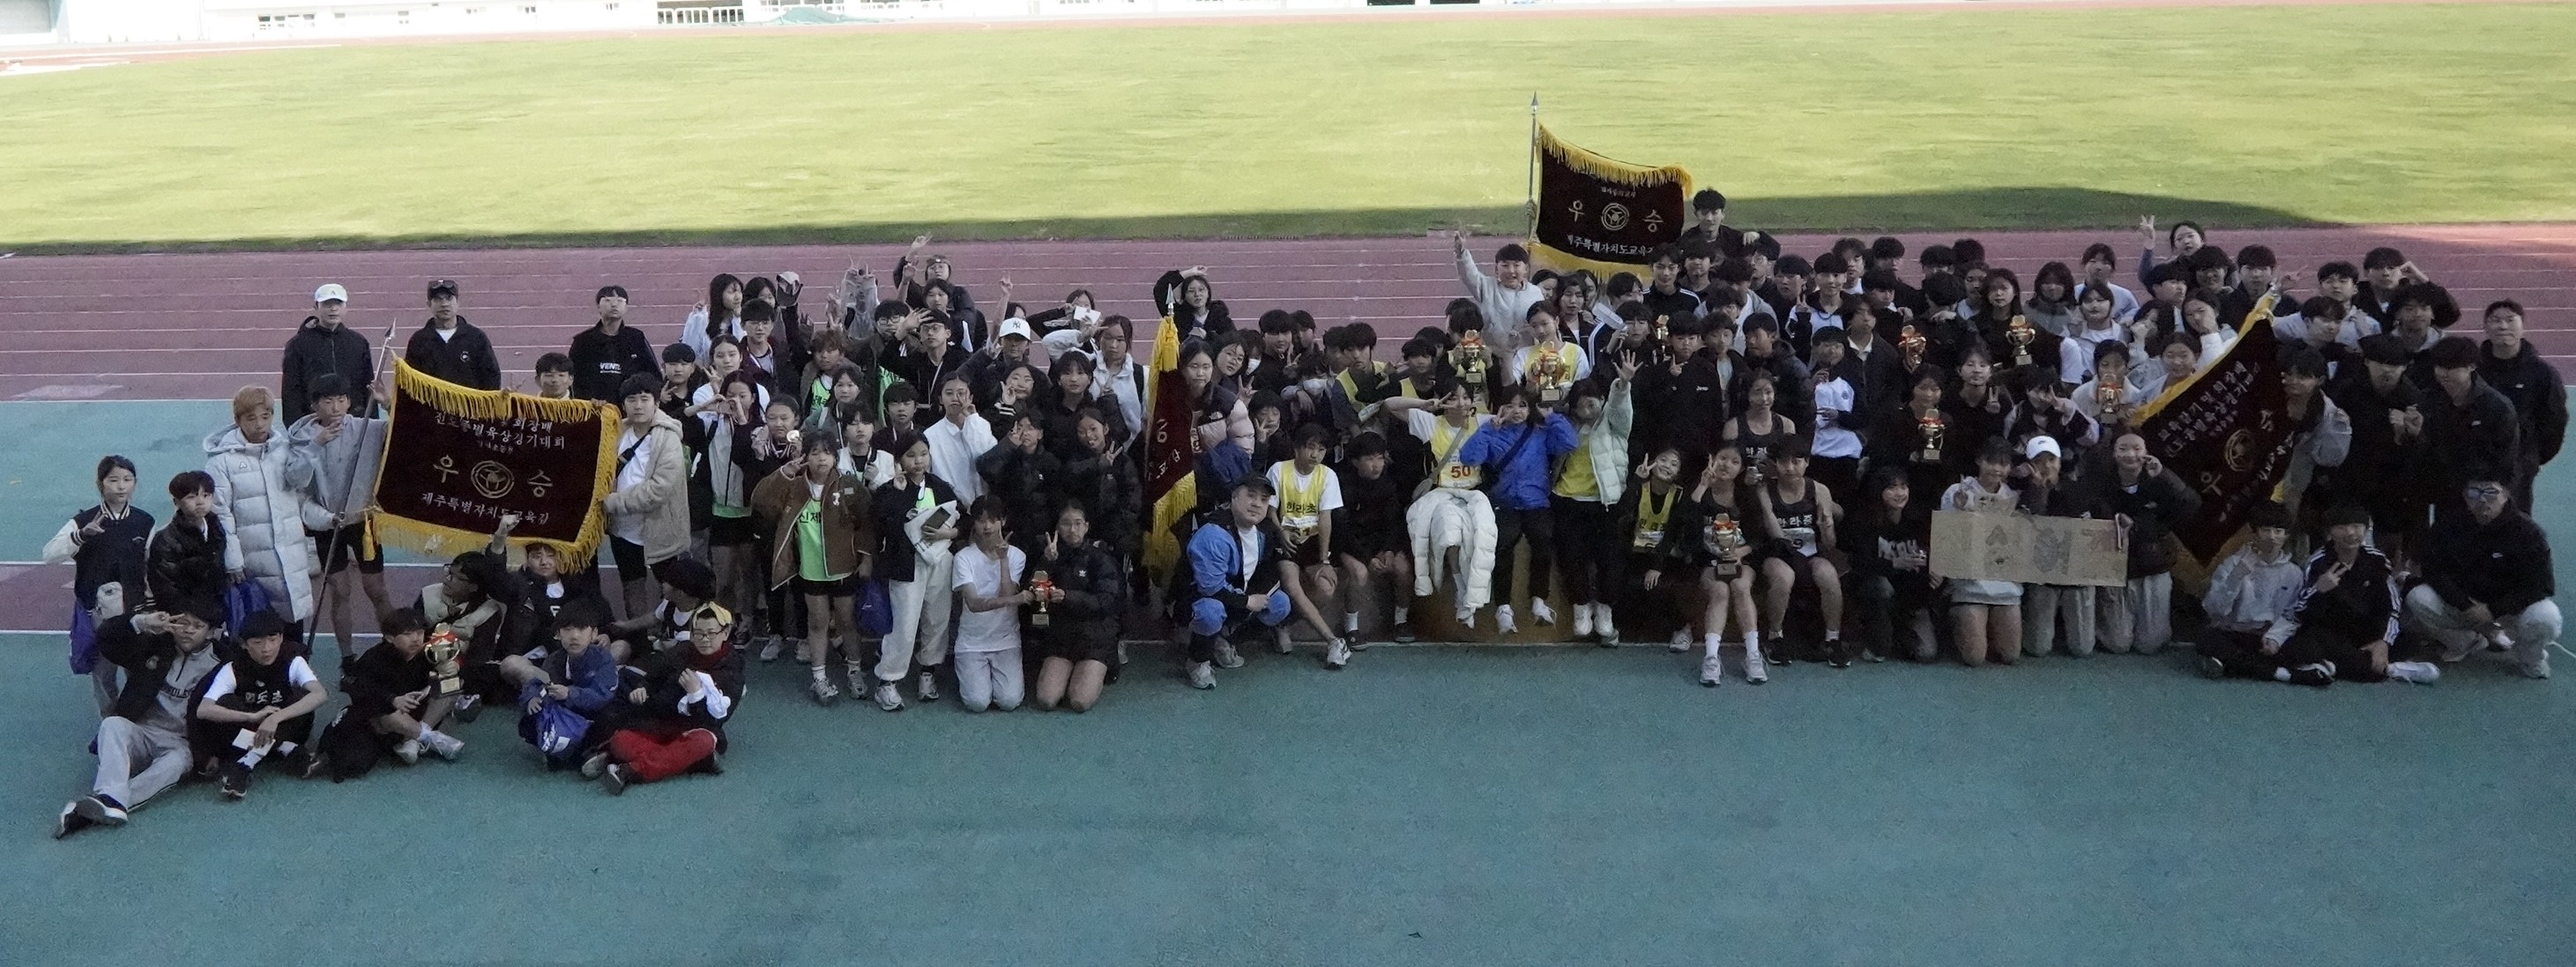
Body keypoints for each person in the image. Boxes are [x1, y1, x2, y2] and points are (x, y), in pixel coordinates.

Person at [55, 598, 233, 837]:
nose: (188, 630)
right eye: (183, 623)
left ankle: (102, 804)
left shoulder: (224, 664)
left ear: (211, 632)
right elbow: (107, 639)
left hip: (180, 742)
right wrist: (142, 622)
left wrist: (214, 753)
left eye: (198, 626)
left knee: (176, 763)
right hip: (142, 731)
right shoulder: (153, 646)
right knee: (112, 724)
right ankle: (110, 801)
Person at [752, 429, 874, 704]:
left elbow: (866, 522)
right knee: (817, 623)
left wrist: (866, 557)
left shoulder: (849, 485)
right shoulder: (794, 486)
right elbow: (760, 501)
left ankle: (855, 671)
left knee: (847, 622)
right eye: (815, 452)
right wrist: (783, 473)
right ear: (805, 456)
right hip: (811, 571)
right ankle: (819, 678)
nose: (821, 459)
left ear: (835, 457)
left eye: (827, 453)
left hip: (844, 569)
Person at [286, 373, 391, 667]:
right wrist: (316, 445)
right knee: (340, 591)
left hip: (363, 522)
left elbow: (408, 429)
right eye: (328, 401)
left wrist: (388, 403)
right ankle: (348, 656)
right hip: (327, 524)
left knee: (376, 589)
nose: (335, 408)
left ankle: (393, 645)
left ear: (349, 402)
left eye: (341, 400)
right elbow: (294, 481)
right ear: (314, 405)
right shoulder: (301, 439)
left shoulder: (367, 428)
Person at [2408, 476, 2560, 680]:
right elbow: (2433, 570)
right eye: (2474, 493)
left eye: (2491, 492)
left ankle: (2530, 658)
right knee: (2418, 597)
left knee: (2546, 617)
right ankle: (2464, 641)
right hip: (2466, 606)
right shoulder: (2449, 525)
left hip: (2510, 610)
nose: (2482, 500)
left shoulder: (2528, 532)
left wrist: (2494, 610)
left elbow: (2543, 586)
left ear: (2506, 494)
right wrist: (2465, 605)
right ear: (2465, 495)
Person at [204, 385, 319, 648]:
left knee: (292, 632)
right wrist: (233, 559)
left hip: (290, 557)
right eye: (251, 418)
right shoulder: (221, 462)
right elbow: (221, 513)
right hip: (252, 562)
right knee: (258, 632)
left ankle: (295, 669)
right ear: (238, 420)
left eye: (265, 417)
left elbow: (301, 496)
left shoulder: (285, 450)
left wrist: (329, 518)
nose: (259, 424)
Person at [1460, 385, 1576, 635]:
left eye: (1522, 405)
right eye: (1510, 405)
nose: (1517, 411)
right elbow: (1468, 458)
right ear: (1500, 408)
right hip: (1504, 502)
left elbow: (1570, 442)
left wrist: (1551, 416)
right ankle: (1503, 608)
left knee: (1543, 539)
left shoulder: (1541, 433)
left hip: (1536, 502)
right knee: (1503, 542)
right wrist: (1488, 429)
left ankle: (1539, 601)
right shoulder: (1492, 432)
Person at [591, 602, 742, 794]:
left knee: (704, 742)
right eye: (698, 633)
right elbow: (654, 672)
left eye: (711, 633)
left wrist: (696, 696)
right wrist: (643, 688)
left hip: (696, 730)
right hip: (662, 724)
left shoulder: (732, 670)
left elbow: (716, 721)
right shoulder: (682, 651)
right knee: (621, 740)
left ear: (725, 633)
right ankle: (695, 763)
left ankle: (629, 771)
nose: (704, 640)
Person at [44, 455, 154, 717]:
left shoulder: (144, 521)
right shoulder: (83, 522)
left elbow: (151, 565)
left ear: (135, 483)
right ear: (100, 484)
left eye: (127, 480)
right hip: (98, 614)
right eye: (113, 480)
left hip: (135, 611)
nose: (121, 486)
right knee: (103, 674)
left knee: (138, 669)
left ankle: (136, 720)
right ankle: (109, 721)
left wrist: (151, 603)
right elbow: (50, 554)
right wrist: (80, 536)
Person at [2194, 502, 2349, 685]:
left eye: (2278, 531)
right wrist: (2236, 576)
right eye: (2266, 530)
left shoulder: (2293, 572)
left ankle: (2235, 666)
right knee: (2208, 640)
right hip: (2237, 633)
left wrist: (2276, 637)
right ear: (2254, 532)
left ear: (2286, 536)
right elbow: (2213, 609)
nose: (2272, 537)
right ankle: (2286, 673)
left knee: (2311, 645)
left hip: (2271, 637)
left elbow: (2294, 613)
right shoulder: (2233, 564)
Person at [310, 607, 464, 782]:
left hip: (419, 707)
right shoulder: (374, 658)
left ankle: (413, 741)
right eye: (407, 634)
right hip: (386, 715)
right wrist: (392, 700)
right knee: (388, 717)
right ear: (390, 638)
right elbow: (357, 689)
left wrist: (450, 669)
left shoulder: (430, 653)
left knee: (450, 686)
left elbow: (452, 676)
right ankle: (429, 738)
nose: (416, 639)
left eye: (420, 633)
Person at [191, 611, 328, 800]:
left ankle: (245, 764)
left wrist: (274, 718)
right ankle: (287, 749)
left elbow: (320, 694)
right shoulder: (233, 667)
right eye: (257, 642)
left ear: (281, 638)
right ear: (244, 644)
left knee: (302, 695)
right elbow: (203, 710)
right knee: (225, 702)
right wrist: (252, 717)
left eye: (273, 640)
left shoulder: (293, 661)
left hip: (286, 727)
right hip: (249, 728)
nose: (266, 649)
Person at [873, 435, 962, 710]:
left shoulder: (940, 486)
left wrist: (950, 533)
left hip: (939, 561)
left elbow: (962, 519)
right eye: (911, 455)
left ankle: (928, 672)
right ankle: (888, 681)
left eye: (923, 454)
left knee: (937, 619)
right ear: (899, 459)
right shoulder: (890, 490)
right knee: (904, 623)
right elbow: (884, 525)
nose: (918, 461)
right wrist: (900, 493)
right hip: (905, 564)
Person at [1181, 476, 1292, 689]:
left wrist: (1254, 597)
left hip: (1237, 595)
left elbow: (1268, 572)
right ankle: (1197, 659)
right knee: (1210, 612)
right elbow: (1209, 588)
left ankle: (1225, 641)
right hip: (1197, 599)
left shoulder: (1266, 530)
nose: (1257, 504)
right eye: (1250, 496)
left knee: (1280, 604)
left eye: (1264, 499)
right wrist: (1247, 602)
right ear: (1233, 497)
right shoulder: (1213, 534)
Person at [2096, 432, 2200, 655]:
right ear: (2114, 453)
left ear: (2146, 453)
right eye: (2123, 449)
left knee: (2150, 644)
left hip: (2153, 565)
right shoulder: (2102, 482)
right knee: (2117, 643)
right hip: (2115, 568)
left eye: (2137, 449)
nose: (2130, 455)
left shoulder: (2159, 480)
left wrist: (2164, 476)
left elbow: (2191, 505)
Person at [602, 374, 690, 620]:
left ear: (656, 403)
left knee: (671, 588)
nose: (638, 406)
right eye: (632, 400)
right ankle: (638, 636)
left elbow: (660, 489)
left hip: (661, 528)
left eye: (644, 399)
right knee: (632, 584)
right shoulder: (617, 432)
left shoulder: (667, 437)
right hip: (623, 529)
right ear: (623, 404)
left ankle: (672, 630)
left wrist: (613, 503)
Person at [1266, 423, 1353, 666]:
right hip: (1286, 540)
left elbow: (1325, 518)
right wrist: (1281, 532)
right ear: (1297, 449)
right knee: (1292, 587)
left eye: (1321, 449)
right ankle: (1333, 641)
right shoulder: (1278, 470)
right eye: (1310, 447)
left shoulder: (1328, 475)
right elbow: (1270, 511)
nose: (1315, 454)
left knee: (1326, 590)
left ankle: (1283, 625)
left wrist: (1324, 560)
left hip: (1313, 541)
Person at [498, 598, 619, 770]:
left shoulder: (603, 659)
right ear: (558, 634)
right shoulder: (554, 660)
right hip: (567, 714)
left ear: (593, 634)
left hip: (593, 713)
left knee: (610, 717)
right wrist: (531, 698)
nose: (574, 636)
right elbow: (536, 681)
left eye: (581, 629)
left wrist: (570, 693)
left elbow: (603, 695)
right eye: (567, 630)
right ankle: (565, 752)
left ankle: (592, 753)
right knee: (528, 722)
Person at [1755, 436, 1846, 665]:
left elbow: (1830, 544)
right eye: (1783, 462)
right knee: (1784, 576)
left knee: (1828, 574)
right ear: (1775, 464)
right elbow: (1775, 533)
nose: (1790, 468)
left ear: (1806, 463)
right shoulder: (1765, 490)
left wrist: (1827, 527)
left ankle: (1833, 639)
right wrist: (1796, 560)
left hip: (1812, 552)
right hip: (1778, 552)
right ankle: (1775, 637)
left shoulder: (1819, 490)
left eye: (1796, 462)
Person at [2014, 436, 2107, 658]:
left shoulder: (2078, 489)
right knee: (2037, 648)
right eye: (2039, 460)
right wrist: (2038, 490)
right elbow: (2027, 524)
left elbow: (2099, 520)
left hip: (2077, 576)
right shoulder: (2022, 493)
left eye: (2051, 459)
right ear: (2030, 464)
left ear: (2059, 461)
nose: (2046, 465)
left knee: (2082, 649)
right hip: (2042, 576)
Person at [2475, 300, 2566, 510]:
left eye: (2510, 320)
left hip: (2520, 466)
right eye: (2495, 320)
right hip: (2475, 463)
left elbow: (2555, 421)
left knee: (2515, 521)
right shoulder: (2473, 368)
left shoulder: (2542, 373)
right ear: (2485, 327)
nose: (2503, 326)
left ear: (2523, 327)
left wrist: (2532, 458)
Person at [1842, 466, 1936, 665]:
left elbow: (1931, 554)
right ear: (1879, 491)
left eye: (1903, 487)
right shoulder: (1864, 520)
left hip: (1912, 598)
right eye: (1892, 488)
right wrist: (1895, 563)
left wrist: (1935, 571)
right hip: (1876, 591)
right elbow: (1860, 564)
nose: (1899, 493)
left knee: (1926, 654)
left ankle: (1899, 634)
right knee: (1881, 587)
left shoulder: (1918, 519)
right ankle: (1876, 638)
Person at [1031, 502, 1121, 711]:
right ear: (1057, 528)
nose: (1072, 530)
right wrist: (1046, 563)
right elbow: (1036, 593)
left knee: (1079, 702)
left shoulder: (1101, 558)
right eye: (1066, 524)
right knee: (1046, 700)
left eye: (1078, 523)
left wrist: (1068, 597)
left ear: (1086, 526)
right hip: (1060, 637)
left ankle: (1099, 670)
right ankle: (1064, 673)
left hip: (1094, 638)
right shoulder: (1049, 555)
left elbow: (1107, 601)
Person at [1940, 440, 2022, 666]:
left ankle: (1991, 629)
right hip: (1970, 581)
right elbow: (1946, 536)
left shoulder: (2013, 497)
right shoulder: (1958, 492)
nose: (1996, 469)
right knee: (1974, 657)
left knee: (2011, 655)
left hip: (2004, 581)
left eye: (2003, 464)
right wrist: (1961, 512)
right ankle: (1957, 622)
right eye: (1990, 462)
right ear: (1979, 461)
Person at [1692, 445, 1769, 679]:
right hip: (1708, 561)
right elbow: (1686, 523)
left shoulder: (1746, 496)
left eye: (1734, 462)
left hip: (1741, 560)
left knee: (1741, 586)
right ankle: (1711, 658)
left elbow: (1759, 538)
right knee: (1720, 591)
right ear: (1712, 460)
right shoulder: (1699, 491)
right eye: (1722, 458)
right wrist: (1702, 486)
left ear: (1741, 469)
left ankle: (1753, 655)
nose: (1726, 465)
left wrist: (1740, 553)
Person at [949, 497, 1030, 712]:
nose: (987, 527)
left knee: (1009, 701)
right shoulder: (963, 558)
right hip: (971, 643)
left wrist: (1003, 560)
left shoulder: (1017, 556)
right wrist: (1016, 600)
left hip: (1006, 641)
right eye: (981, 521)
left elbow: (1006, 593)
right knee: (977, 703)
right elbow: (974, 604)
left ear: (1003, 521)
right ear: (974, 523)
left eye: (993, 520)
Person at [1334, 431, 1414, 646]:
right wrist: (1367, 558)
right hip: (1350, 544)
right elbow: (1342, 530)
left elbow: (1395, 523)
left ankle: (1401, 621)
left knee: (1403, 569)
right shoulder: (1342, 485)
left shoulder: (1389, 484)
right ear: (1355, 461)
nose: (1376, 465)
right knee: (1359, 573)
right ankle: (1351, 628)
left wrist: (1388, 550)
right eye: (1370, 459)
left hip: (1380, 544)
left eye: (1380, 458)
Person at [280, 282, 372, 425]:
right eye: (327, 304)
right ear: (316, 307)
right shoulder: (298, 344)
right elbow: (291, 390)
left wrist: (370, 419)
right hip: (313, 422)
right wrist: (296, 425)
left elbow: (368, 385)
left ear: (345, 307)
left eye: (338, 304)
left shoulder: (358, 342)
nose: (333, 309)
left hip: (353, 420)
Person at [1453, 234, 1545, 363]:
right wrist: (1462, 254)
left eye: (1516, 265)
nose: (1511, 271)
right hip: (1492, 356)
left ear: (1526, 269)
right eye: (1505, 265)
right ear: (1496, 269)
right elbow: (1469, 275)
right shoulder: (1487, 287)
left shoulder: (1535, 293)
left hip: (1524, 357)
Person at [147, 472, 228, 618]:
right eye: (191, 497)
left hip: (216, 610)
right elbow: (164, 586)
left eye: (206, 495)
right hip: (185, 616)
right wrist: (189, 617)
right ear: (176, 502)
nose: (200, 502)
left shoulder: (216, 529)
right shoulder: (166, 538)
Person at [404, 279, 501, 390]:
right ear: (429, 304)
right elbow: (409, 382)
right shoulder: (419, 341)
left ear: (458, 303)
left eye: (449, 298)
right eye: (438, 299)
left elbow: (491, 378)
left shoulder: (476, 337)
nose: (444, 304)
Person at [570, 285, 659, 403]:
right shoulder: (583, 341)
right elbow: (572, 377)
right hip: (593, 407)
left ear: (626, 307)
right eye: (607, 300)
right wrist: (588, 399)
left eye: (620, 301)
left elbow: (652, 374)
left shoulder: (636, 338)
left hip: (631, 407)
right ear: (598, 306)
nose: (614, 305)